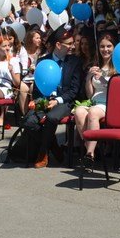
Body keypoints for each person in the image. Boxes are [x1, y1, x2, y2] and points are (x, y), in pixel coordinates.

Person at [28, 26, 83, 169]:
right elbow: (38, 85)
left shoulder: (75, 62)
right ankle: (54, 147)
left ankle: (43, 153)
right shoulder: (42, 61)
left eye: (72, 43)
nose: (72, 46)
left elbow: (74, 90)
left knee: (52, 118)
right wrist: (37, 101)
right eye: (69, 44)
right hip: (44, 99)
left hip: (64, 101)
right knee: (30, 121)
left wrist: (57, 101)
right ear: (58, 45)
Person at [74, 31, 116, 165]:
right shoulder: (96, 65)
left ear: (114, 47)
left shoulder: (118, 66)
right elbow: (90, 94)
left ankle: (89, 154)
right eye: (102, 46)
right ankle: (91, 149)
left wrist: (102, 79)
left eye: (109, 46)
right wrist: (88, 78)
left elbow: (116, 91)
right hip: (95, 101)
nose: (105, 50)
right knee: (79, 111)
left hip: (110, 103)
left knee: (92, 112)